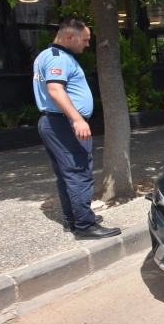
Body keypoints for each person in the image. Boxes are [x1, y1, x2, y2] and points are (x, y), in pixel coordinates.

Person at [33, 18, 121, 239]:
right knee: (79, 173)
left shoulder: (48, 56)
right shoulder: (58, 58)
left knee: (66, 175)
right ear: (70, 37)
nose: (87, 44)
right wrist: (77, 119)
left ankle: (74, 218)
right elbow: (55, 90)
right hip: (64, 123)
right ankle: (84, 226)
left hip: (55, 123)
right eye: (85, 39)